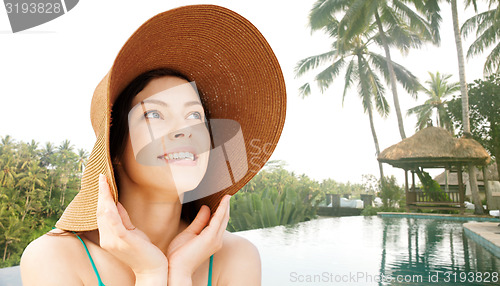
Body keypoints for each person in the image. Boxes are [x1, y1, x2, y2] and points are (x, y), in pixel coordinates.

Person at [20, 4, 286, 286]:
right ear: (114, 150)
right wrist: (150, 274)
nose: (184, 130)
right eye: (154, 114)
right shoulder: (54, 258)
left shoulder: (236, 257)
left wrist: (180, 272)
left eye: (194, 115)